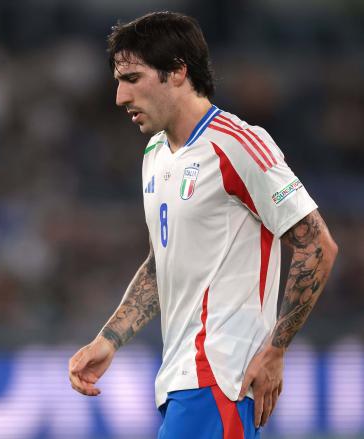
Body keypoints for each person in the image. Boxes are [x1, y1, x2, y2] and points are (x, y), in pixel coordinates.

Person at [68, 11, 338, 439]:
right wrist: (109, 339)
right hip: (181, 380)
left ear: (177, 72)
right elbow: (163, 262)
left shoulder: (237, 144)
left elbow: (317, 245)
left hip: (220, 377)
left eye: (132, 79)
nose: (120, 97)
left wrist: (275, 350)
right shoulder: (155, 154)